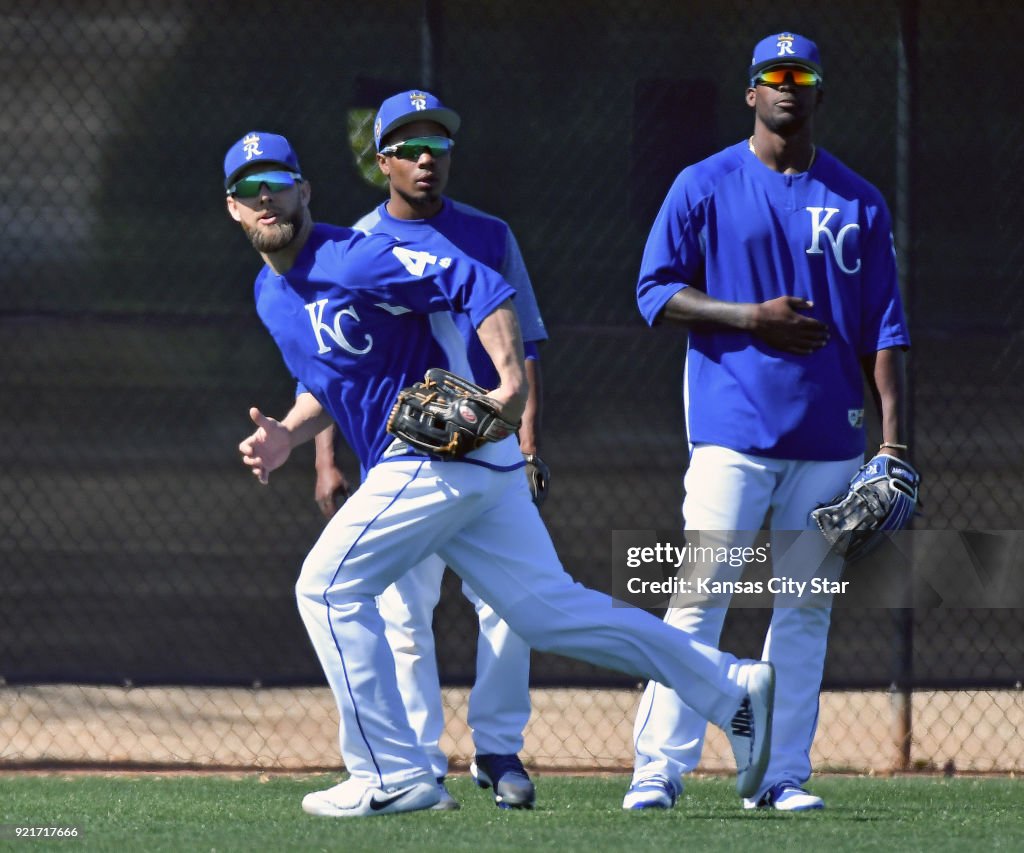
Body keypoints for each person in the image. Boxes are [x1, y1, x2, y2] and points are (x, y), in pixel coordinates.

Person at [225, 129, 775, 818]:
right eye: (251, 189)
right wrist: (288, 435)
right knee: (551, 612)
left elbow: (478, 282)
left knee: (327, 587)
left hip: (437, 450)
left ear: (304, 190)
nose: (266, 196)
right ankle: (731, 688)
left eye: (278, 182)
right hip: (462, 466)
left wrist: (511, 382)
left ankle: (392, 772)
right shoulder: (270, 294)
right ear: (235, 209)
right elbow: (332, 384)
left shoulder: (354, 255)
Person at [623, 32, 910, 813]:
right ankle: (659, 766)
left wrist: (894, 446)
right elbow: (654, 290)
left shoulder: (858, 199)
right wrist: (749, 317)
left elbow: (884, 330)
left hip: (828, 440)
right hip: (730, 432)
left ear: (819, 92)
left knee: (804, 606)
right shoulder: (704, 183)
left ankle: (779, 773)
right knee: (699, 595)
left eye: (802, 75)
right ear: (751, 92)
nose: (788, 86)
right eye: (773, 76)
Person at [310, 90, 546, 810]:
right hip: (401, 458)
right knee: (403, 611)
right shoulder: (351, 244)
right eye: (409, 147)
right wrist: (326, 456)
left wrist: (529, 442)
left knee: (513, 602)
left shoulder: (489, 233)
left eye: (437, 146)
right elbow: (329, 361)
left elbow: (527, 347)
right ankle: (418, 758)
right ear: (381, 161)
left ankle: (498, 747)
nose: (425, 159)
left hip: (488, 453)